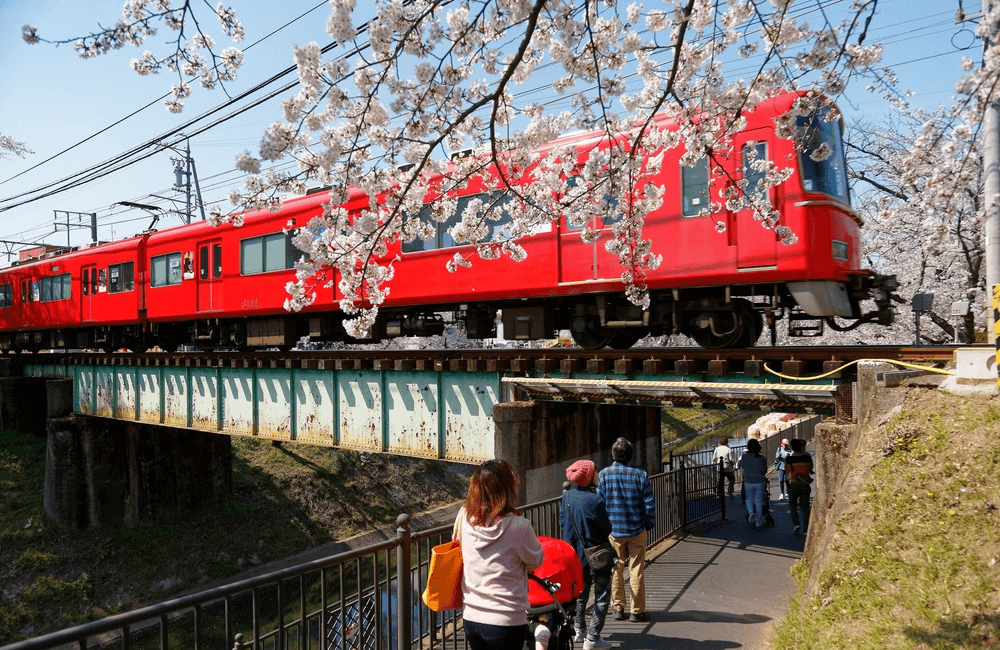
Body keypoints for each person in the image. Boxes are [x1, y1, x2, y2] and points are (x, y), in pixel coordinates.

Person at [458, 459, 545, 650]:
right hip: (506, 617)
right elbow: (535, 560)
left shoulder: (464, 517)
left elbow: (459, 544)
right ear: (507, 489)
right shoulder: (519, 526)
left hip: (471, 615)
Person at [597, 437, 655, 623]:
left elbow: (600, 505)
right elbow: (648, 504)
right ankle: (637, 611)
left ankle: (618, 608)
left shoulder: (604, 475)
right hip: (636, 529)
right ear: (631, 455)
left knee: (616, 568)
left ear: (613, 455)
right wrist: (649, 523)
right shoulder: (641, 474)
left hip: (614, 531)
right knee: (636, 569)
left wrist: (602, 527)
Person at [561, 460, 614, 650]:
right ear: (589, 477)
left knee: (581, 593)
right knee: (602, 595)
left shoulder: (566, 498)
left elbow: (562, 523)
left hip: (575, 556)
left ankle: (579, 629)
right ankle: (593, 637)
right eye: (595, 472)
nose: (597, 475)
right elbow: (607, 527)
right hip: (596, 556)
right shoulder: (596, 500)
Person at [785, 438, 814, 536]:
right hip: (805, 484)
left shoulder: (789, 459)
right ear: (801, 446)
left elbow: (787, 471)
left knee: (792, 504)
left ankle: (796, 523)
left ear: (792, 447)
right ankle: (806, 529)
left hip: (794, 483)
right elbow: (810, 468)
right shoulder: (807, 458)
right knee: (805, 507)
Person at [738, 438, 768, 528]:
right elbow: (764, 471)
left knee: (749, 499)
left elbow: (743, 467)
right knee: (758, 501)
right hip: (760, 481)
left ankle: (751, 513)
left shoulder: (744, 457)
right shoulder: (762, 458)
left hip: (748, 481)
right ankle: (758, 521)